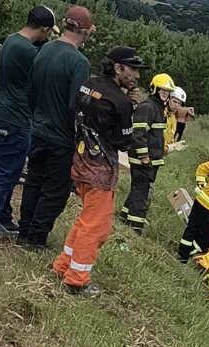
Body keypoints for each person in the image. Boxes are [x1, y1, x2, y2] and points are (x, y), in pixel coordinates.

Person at [51, 47, 143, 298]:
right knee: (96, 228)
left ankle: (62, 266)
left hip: (80, 161)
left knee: (85, 220)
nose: (136, 75)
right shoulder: (121, 102)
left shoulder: (88, 84)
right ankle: (77, 280)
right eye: (132, 69)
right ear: (118, 68)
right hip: (100, 170)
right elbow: (123, 143)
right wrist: (130, 111)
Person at [17, 5, 95, 251]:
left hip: (37, 130)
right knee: (55, 190)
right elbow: (77, 106)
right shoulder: (79, 62)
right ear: (86, 31)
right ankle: (36, 238)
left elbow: (30, 90)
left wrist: (37, 117)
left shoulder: (44, 49)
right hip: (61, 138)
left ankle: (24, 230)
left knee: (33, 182)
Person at [0, 6, 58, 239]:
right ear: (44, 29)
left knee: (9, 171)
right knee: (6, 172)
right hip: (16, 118)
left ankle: (3, 217)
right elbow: (45, 71)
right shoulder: (28, 51)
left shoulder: (12, 40)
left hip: (2, 112)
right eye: (49, 33)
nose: (48, 36)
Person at [120, 73, 174, 235]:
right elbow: (138, 133)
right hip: (143, 159)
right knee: (141, 193)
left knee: (138, 188)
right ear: (154, 89)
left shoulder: (158, 107)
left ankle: (124, 216)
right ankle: (135, 227)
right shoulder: (148, 106)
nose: (165, 93)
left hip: (151, 159)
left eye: (168, 91)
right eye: (163, 90)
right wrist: (144, 156)